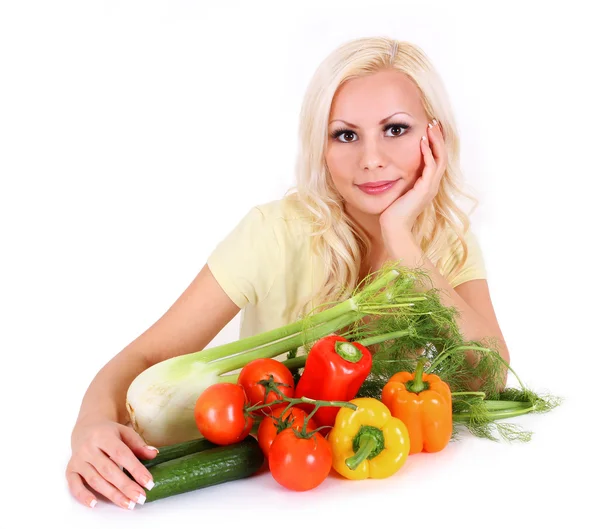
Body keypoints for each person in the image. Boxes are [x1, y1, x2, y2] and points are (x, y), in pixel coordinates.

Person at [66, 36, 510, 510]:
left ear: (435, 136)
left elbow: (491, 375)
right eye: (345, 134)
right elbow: (146, 355)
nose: (371, 158)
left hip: (396, 501)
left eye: (395, 129)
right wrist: (88, 426)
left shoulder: (445, 241)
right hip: (256, 498)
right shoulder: (273, 233)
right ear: (319, 146)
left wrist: (403, 241)